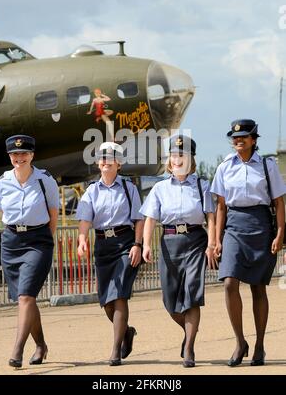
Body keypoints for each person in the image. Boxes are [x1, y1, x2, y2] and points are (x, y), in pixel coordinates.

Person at [211, 119, 286, 367]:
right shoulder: (224, 167)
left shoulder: (267, 164)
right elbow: (220, 205)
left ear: (254, 139)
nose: (238, 140)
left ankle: (260, 345)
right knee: (230, 282)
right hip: (233, 225)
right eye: (234, 137)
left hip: (261, 225)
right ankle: (240, 341)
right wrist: (217, 239)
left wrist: (280, 233)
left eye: (243, 136)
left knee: (258, 287)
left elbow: (278, 202)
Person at [140, 134, 216, 368]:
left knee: (192, 294)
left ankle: (190, 348)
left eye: (182, 155)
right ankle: (188, 330)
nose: (177, 159)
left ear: (190, 159)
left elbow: (211, 217)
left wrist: (212, 244)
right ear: (169, 160)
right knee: (170, 300)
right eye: (174, 155)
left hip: (195, 240)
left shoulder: (202, 185)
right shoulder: (160, 188)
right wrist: (145, 244)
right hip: (169, 242)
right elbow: (150, 218)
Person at [0, 135, 59, 368]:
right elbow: (0, 212)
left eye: (23, 154)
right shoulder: (2, 182)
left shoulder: (45, 181)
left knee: (25, 296)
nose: (19, 158)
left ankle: (17, 350)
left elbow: (53, 215)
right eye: (14, 154)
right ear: (10, 157)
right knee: (26, 300)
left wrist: (46, 242)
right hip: (12, 242)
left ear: (32, 155)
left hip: (38, 241)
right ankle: (41, 345)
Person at [77, 142, 144, 366]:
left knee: (120, 295)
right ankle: (126, 332)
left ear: (119, 163)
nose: (106, 161)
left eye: (111, 157)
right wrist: (82, 239)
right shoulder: (91, 190)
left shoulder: (129, 187)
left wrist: (137, 244)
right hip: (103, 245)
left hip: (125, 243)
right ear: (98, 163)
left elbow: (138, 219)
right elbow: (85, 219)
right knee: (106, 301)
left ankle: (115, 349)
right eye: (102, 157)